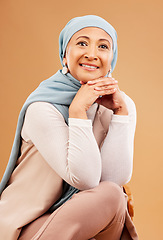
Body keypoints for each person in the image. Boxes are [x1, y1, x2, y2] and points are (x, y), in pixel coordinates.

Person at [0, 15, 138, 240]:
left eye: (103, 46)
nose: (92, 54)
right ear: (64, 55)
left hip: (80, 221)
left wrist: (121, 115)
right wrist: (77, 112)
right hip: (26, 224)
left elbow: (112, 179)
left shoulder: (120, 104)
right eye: (82, 43)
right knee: (112, 196)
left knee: (114, 194)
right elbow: (85, 179)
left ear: (112, 59)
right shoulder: (42, 107)